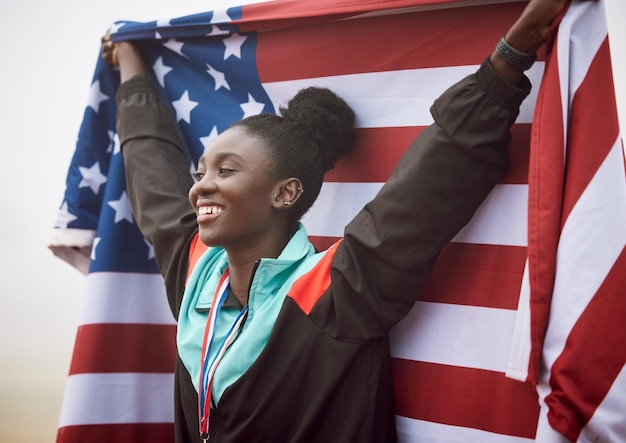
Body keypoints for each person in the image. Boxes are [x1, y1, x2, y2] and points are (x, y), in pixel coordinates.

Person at [101, 1, 575, 441]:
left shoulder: (336, 291)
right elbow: (153, 176)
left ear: (285, 192)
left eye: (226, 171)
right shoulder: (197, 276)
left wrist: (517, 46)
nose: (201, 185)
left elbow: (427, 185)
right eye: (201, 171)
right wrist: (133, 66)